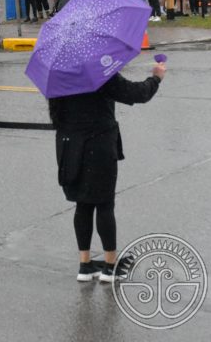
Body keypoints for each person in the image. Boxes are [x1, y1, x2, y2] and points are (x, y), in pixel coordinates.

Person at [49, 61, 166, 282]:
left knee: (82, 204)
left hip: (69, 145)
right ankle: (110, 266)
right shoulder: (96, 68)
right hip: (98, 144)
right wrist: (156, 77)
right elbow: (135, 93)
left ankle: (85, 264)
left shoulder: (59, 69)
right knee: (104, 204)